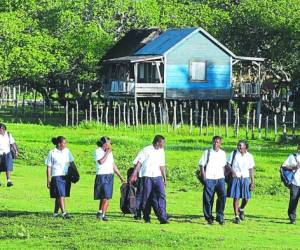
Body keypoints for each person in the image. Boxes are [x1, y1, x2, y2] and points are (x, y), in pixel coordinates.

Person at [130, 135, 168, 224]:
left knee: (161, 196)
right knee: (146, 198)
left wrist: (164, 178)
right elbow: (138, 163)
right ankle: (146, 217)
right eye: (163, 143)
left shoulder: (161, 151)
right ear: (157, 142)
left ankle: (162, 217)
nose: (164, 145)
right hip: (146, 177)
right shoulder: (146, 150)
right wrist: (134, 175)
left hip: (157, 177)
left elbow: (162, 165)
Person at [94, 136, 125, 221]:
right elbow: (101, 162)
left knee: (107, 196)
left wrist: (120, 176)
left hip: (109, 175)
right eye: (109, 143)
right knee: (104, 196)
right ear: (104, 144)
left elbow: (113, 165)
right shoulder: (98, 151)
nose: (110, 145)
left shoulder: (109, 153)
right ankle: (102, 215)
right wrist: (107, 152)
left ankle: (101, 213)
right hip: (101, 175)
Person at [198, 135, 227, 225]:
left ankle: (220, 216)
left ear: (220, 143)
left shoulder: (223, 153)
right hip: (209, 178)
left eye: (217, 142)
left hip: (220, 178)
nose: (215, 144)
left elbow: (223, 166)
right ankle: (209, 217)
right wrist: (204, 177)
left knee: (222, 197)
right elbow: (201, 165)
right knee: (208, 199)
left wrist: (223, 177)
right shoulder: (207, 152)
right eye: (214, 142)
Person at [45, 136, 75, 219]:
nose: (65, 144)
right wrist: (48, 179)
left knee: (60, 195)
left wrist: (75, 173)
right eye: (64, 143)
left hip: (66, 176)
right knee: (61, 194)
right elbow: (49, 167)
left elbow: (72, 162)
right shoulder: (52, 152)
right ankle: (64, 213)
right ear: (59, 144)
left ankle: (55, 213)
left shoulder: (67, 151)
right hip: (56, 176)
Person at [226, 140, 255, 224]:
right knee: (236, 197)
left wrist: (252, 181)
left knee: (246, 197)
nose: (239, 147)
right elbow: (227, 164)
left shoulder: (249, 156)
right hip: (236, 177)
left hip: (245, 178)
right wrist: (233, 172)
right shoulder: (234, 153)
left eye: (241, 145)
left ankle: (241, 209)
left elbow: (251, 169)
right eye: (238, 145)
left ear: (245, 147)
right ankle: (236, 216)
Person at [281, 143, 300, 224]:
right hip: (295, 182)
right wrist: (294, 167)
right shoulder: (293, 156)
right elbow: (284, 166)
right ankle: (292, 218)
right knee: (293, 200)